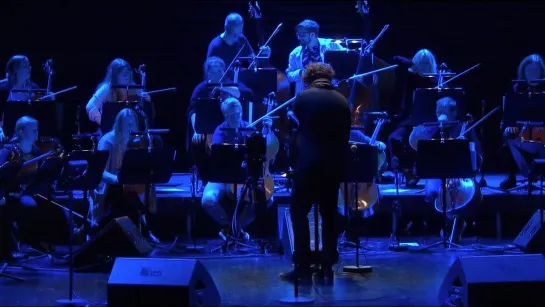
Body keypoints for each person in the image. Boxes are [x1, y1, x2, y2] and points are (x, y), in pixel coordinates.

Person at [280, 63, 351, 282]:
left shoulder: (303, 98)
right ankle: (327, 265)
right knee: (329, 214)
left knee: (298, 211)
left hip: (309, 165)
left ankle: (303, 264)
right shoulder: (343, 101)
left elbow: (293, 132)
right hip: (334, 166)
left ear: (308, 79)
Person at [201, 97, 278, 242]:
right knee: (207, 200)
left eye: (237, 113)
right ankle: (233, 227)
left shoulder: (249, 128)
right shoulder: (220, 131)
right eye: (231, 115)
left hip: (244, 177)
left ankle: (233, 229)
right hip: (222, 177)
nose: (235, 117)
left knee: (267, 199)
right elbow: (220, 158)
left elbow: (265, 152)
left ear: (242, 112)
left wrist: (267, 130)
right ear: (225, 115)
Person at [91, 108, 158, 242]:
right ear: (119, 124)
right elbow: (99, 171)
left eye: (132, 125)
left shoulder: (136, 141)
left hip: (129, 182)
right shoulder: (107, 141)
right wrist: (117, 179)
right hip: (111, 185)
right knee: (128, 194)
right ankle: (142, 230)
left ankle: (145, 228)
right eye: (127, 125)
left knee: (147, 187)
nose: (130, 128)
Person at [187, 57, 254, 185]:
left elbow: (246, 93)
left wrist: (223, 87)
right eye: (213, 72)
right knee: (198, 141)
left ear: (224, 71)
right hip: (208, 127)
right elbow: (192, 110)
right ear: (207, 73)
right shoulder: (201, 88)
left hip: (229, 126)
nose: (217, 74)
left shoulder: (229, 83)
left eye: (219, 71)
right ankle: (206, 176)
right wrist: (197, 129)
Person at [0, 116, 56, 260]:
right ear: (20, 132)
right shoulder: (8, 152)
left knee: (49, 202)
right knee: (28, 206)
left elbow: (39, 175)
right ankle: (16, 245)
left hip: (28, 191)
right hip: (8, 194)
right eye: (33, 130)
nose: (37, 133)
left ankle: (41, 242)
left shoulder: (36, 150)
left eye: (37, 130)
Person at [387, 49, 438, 188]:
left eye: (425, 63)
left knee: (420, 142)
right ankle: (408, 172)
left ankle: (424, 171)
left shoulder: (434, 80)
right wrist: (410, 64)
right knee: (394, 138)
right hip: (411, 120)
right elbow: (397, 58)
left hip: (430, 122)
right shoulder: (410, 78)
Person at [500, 54, 545, 189]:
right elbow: (509, 114)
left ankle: (538, 172)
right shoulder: (516, 89)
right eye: (529, 70)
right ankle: (524, 173)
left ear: (541, 71)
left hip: (542, 131)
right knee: (508, 134)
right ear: (524, 72)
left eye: (535, 70)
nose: (532, 73)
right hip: (522, 130)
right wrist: (509, 126)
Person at [86, 58, 151, 128]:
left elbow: (143, 110)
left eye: (128, 72)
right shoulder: (106, 88)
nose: (127, 76)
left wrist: (147, 101)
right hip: (110, 133)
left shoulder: (134, 87)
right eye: (123, 73)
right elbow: (90, 106)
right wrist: (103, 123)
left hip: (131, 132)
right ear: (115, 75)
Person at [286, 19, 344, 95]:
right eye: (298, 34)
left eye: (302, 34)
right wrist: (300, 73)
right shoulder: (294, 53)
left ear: (312, 34)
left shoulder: (332, 45)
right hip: (306, 96)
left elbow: (346, 64)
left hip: (330, 93)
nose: (299, 37)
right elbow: (289, 75)